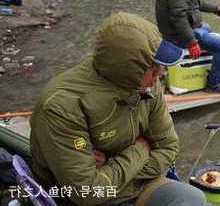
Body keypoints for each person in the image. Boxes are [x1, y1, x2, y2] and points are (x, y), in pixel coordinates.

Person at [30, 12, 208, 206]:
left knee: (192, 198)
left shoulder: (148, 85)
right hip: (79, 199)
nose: (161, 73)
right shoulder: (61, 106)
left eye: (161, 66)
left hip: (131, 185)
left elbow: (168, 148)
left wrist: (109, 167)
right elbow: (86, 192)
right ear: (128, 68)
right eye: (154, 67)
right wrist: (141, 148)